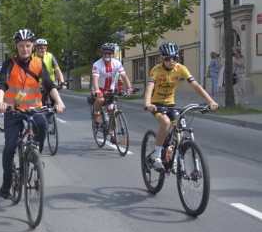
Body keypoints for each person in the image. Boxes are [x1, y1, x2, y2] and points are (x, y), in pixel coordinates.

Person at [0, 29, 66, 199]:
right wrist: (0, 102)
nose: (25, 49)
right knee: (10, 147)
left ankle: (35, 155)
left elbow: (49, 85)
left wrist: (59, 101)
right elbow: (2, 85)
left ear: (32, 46)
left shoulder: (38, 62)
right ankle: (6, 183)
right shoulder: (9, 64)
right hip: (13, 110)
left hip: (34, 109)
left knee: (42, 125)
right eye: (21, 46)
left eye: (28, 45)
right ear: (16, 47)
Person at [144, 42, 219, 173]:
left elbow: (196, 86)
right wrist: (148, 103)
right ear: (161, 58)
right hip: (156, 104)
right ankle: (156, 157)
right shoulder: (156, 70)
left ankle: (173, 158)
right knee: (165, 123)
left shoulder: (180, 68)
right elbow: (149, 88)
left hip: (170, 104)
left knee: (179, 128)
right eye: (167, 58)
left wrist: (211, 101)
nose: (171, 61)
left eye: (174, 58)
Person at [92, 42, 133, 121]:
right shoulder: (97, 64)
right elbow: (95, 78)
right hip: (99, 88)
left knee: (112, 109)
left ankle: (112, 130)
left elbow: (124, 75)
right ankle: (96, 112)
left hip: (111, 89)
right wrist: (97, 90)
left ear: (113, 54)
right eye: (105, 53)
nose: (107, 55)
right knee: (100, 99)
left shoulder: (117, 63)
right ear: (102, 54)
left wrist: (129, 88)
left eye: (109, 53)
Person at [32, 38, 66, 106]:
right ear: (35, 48)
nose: (40, 50)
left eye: (42, 48)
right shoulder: (31, 57)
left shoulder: (50, 56)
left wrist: (62, 82)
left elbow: (57, 70)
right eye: (38, 48)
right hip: (37, 87)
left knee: (52, 105)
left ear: (46, 48)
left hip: (50, 85)